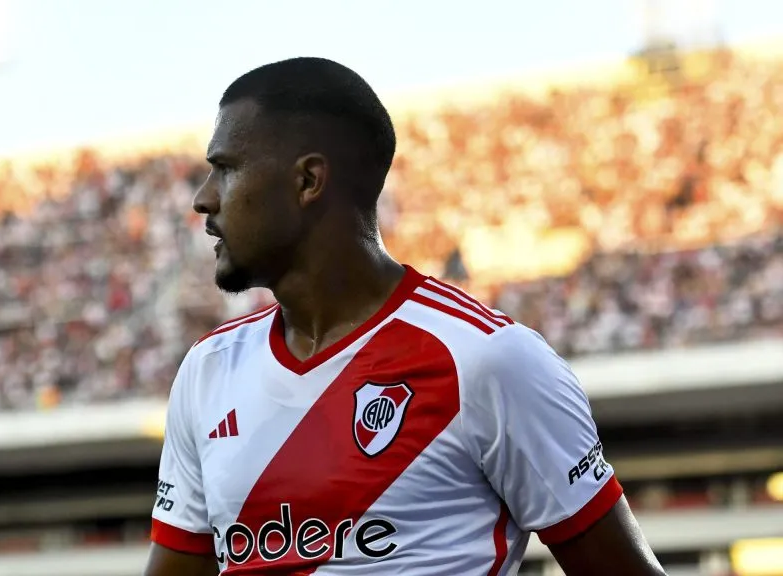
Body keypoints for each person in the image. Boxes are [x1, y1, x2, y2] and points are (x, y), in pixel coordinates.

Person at [144, 57, 665, 576]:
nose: (203, 199)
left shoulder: (487, 360)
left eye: (226, 169)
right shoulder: (208, 371)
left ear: (308, 180)